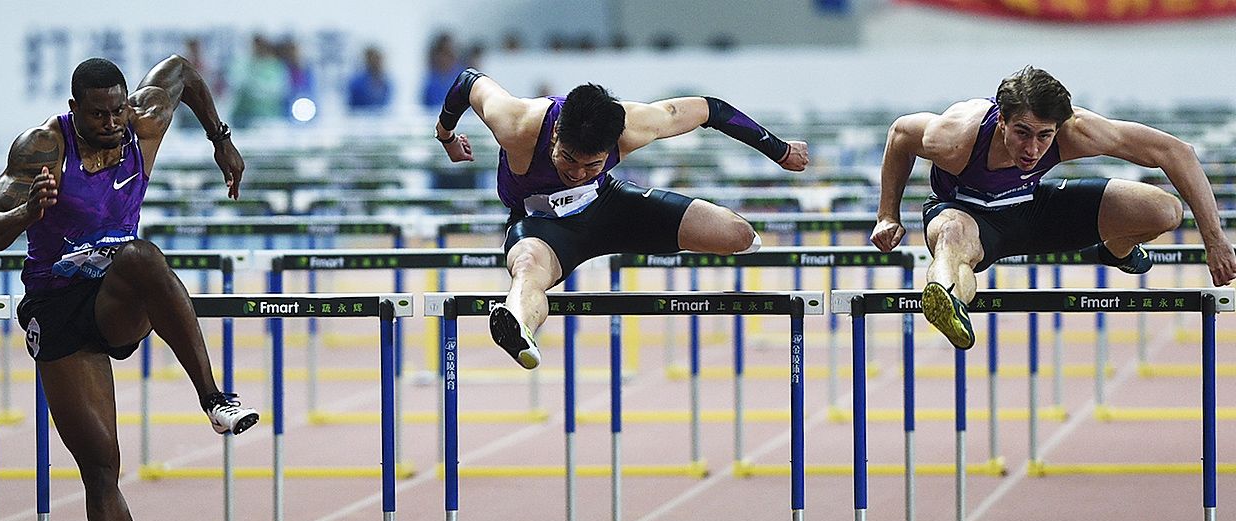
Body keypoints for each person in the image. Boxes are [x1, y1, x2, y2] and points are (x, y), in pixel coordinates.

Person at [0, 56, 258, 521]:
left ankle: (215, 399)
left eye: (117, 111)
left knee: (142, 258)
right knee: (100, 470)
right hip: (59, 305)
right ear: (74, 112)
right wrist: (28, 214)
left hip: (117, 296)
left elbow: (182, 70)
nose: (111, 124)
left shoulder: (142, 124)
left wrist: (221, 141)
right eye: (97, 115)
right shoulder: (43, 147)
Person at [433, 68, 809, 368]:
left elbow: (711, 109)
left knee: (735, 234)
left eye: (591, 163)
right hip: (542, 228)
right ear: (555, 139)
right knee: (528, 266)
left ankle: (730, 233)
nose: (577, 172)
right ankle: (518, 327)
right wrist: (446, 135)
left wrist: (779, 151)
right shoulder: (517, 122)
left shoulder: (635, 124)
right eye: (568, 160)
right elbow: (468, 81)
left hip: (609, 206)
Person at [869, 66, 1236, 350]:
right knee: (952, 238)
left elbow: (1176, 152)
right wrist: (888, 214)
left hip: (1030, 206)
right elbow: (901, 134)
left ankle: (1115, 249)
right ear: (1002, 121)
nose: (1032, 148)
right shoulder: (954, 138)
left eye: (1044, 136)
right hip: (965, 214)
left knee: (1164, 211)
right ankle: (948, 301)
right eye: (1022, 133)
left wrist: (1215, 239)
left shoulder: (1077, 131)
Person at [347, 46, 392, 112]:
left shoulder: (386, 82)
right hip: (360, 118)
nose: (378, 63)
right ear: (368, 61)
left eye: (379, 60)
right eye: (374, 60)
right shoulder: (357, 82)